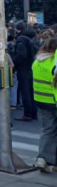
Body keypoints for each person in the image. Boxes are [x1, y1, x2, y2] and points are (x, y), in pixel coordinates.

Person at [32, 37, 57, 172]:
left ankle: (42, 158)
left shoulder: (38, 61)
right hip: (53, 100)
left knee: (48, 130)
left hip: (41, 99)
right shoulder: (54, 62)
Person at [14, 21, 38, 121]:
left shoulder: (21, 40)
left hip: (23, 68)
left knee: (25, 91)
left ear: (17, 29)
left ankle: (27, 114)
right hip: (31, 67)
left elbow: (21, 55)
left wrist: (14, 62)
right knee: (31, 91)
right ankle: (33, 113)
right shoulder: (30, 39)